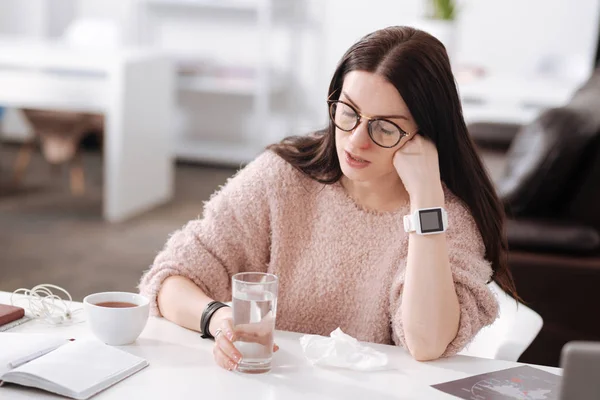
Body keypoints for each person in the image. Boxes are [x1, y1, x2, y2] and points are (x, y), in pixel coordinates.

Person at [139, 25, 518, 371]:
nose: (356, 140)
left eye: (385, 128)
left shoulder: (443, 215)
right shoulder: (283, 177)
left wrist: (426, 199)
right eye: (348, 111)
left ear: (425, 137)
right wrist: (219, 319)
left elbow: (427, 342)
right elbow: (170, 277)